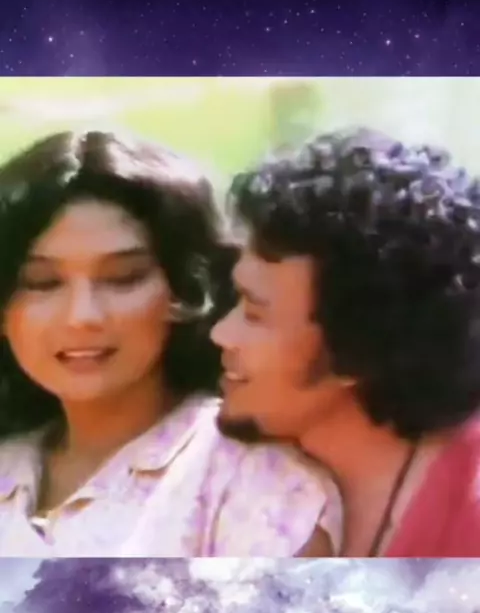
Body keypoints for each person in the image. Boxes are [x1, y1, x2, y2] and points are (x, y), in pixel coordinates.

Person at [0, 129, 342, 557]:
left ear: (184, 292)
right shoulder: (11, 460)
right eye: (42, 282)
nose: (82, 316)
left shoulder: (259, 488)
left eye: (123, 278)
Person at [212, 127, 480, 556]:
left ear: (355, 349)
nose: (220, 333)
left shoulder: (467, 508)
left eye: (254, 314)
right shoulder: (216, 465)